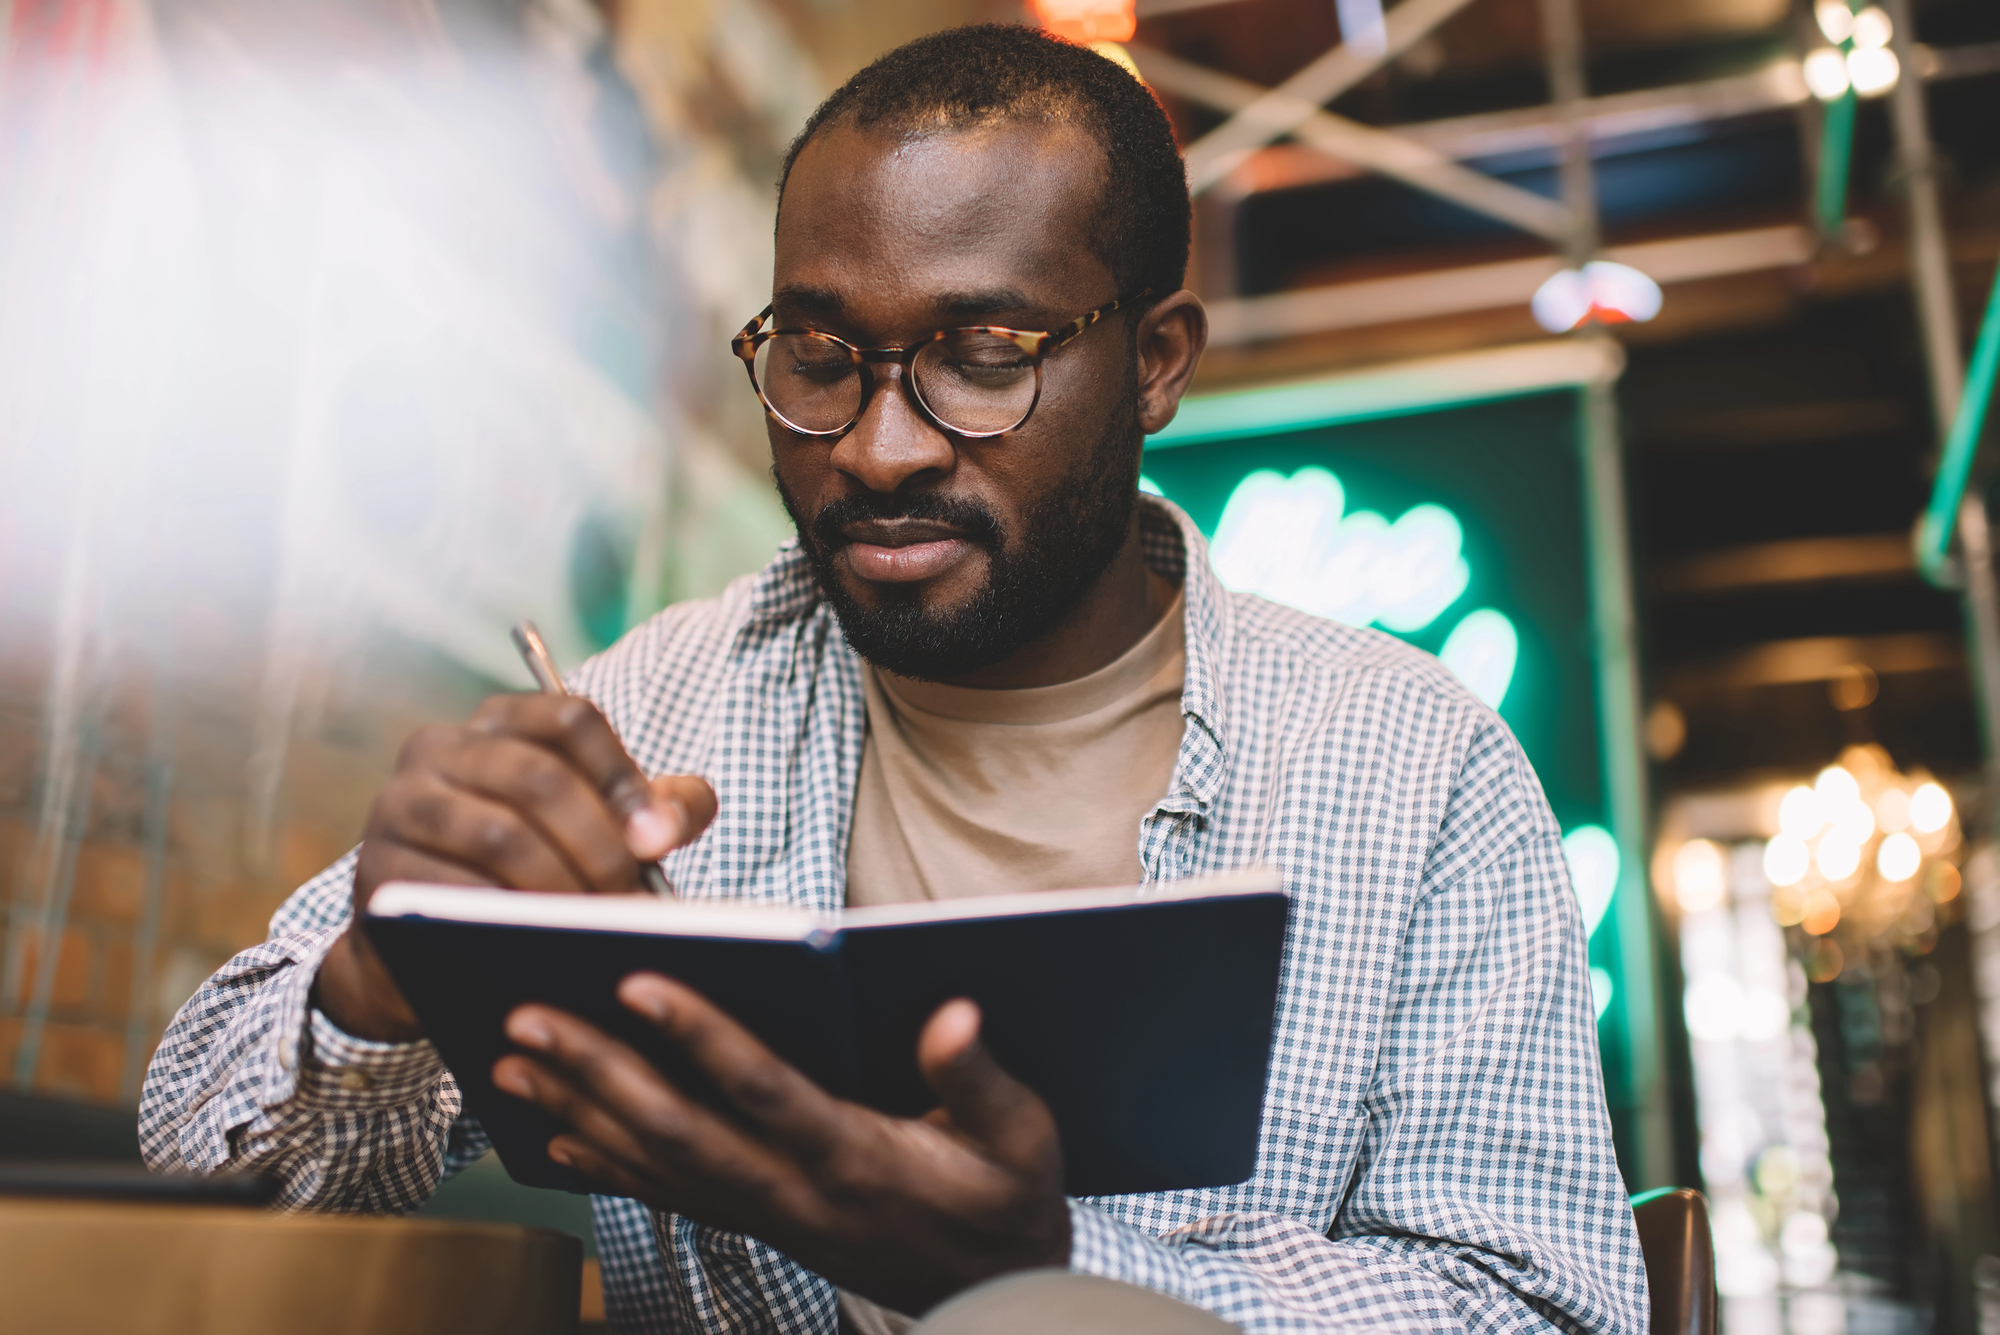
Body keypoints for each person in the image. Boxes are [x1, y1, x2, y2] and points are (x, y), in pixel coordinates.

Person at [141, 24, 1647, 1335]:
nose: (879, 446)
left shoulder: (1410, 769)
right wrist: (381, 981)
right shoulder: (665, 703)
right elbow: (194, 1179)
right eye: (819, 354)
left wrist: (1046, 1276)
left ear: (1157, 362)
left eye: (984, 354)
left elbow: (1539, 1310)